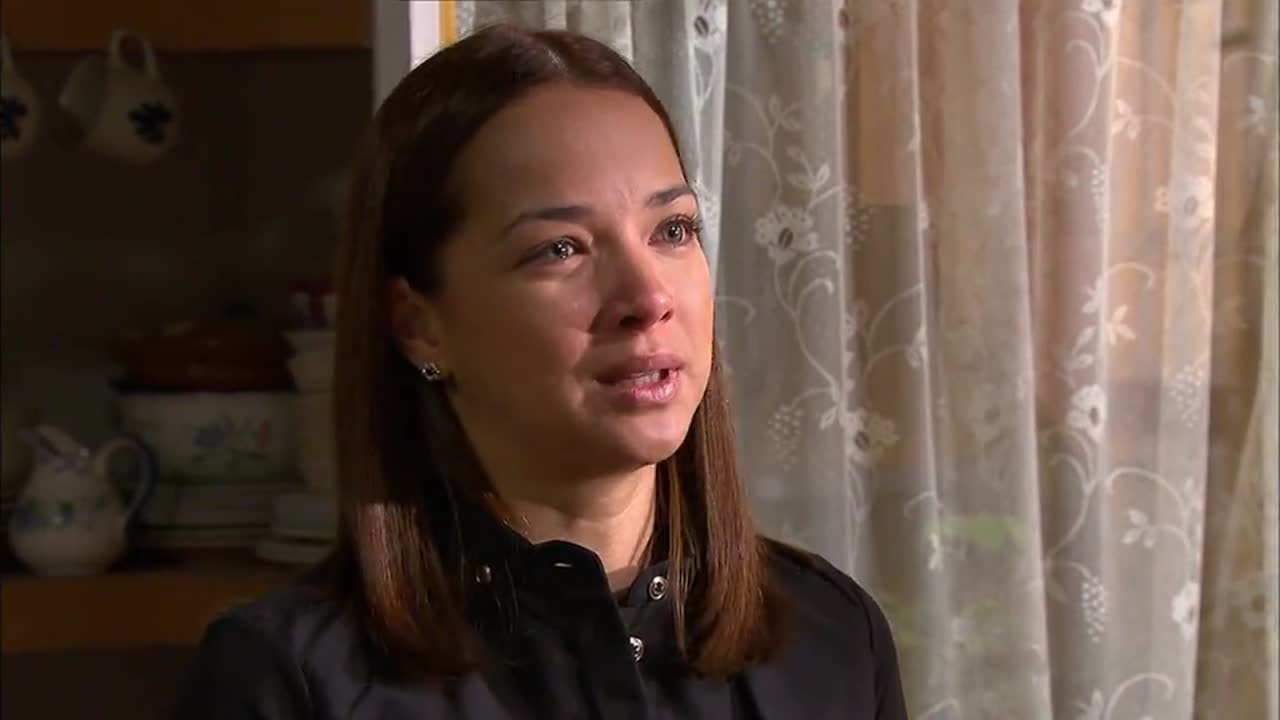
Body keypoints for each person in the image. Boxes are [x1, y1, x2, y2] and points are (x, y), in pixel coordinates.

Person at [175, 23, 908, 720]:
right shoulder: (290, 680)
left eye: (673, 230)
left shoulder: (833, 639)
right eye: (561, 248)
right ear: (419, 324)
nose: (648, 297)